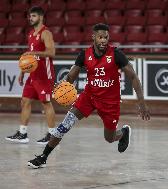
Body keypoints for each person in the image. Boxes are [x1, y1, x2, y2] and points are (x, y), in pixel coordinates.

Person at [27, 23, 150, 168]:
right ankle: (43, 157)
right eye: (100, 37)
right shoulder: (84, 55)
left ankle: (123, 133)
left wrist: (142, 104)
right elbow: (71, 76)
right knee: (64, 125)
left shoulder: (116, 54)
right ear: (94, 37)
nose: (103, 40)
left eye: (106, 37)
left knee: (109, 138)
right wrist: (63, 85)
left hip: (110, 102)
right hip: (89, 97)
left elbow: (134, 77)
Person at [5, 6, 55, 145]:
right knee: (25, 101)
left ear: (40, 17)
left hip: (44, 75)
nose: (30, 18)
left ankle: (52, 135)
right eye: (29, 16)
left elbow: (51, 53)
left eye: (33, 16)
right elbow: (29, 58)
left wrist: (34, 54)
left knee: (46, 104)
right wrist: (22, 72)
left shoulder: (46, 33)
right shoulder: (31, 34)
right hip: (32, 75)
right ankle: (22, 133)